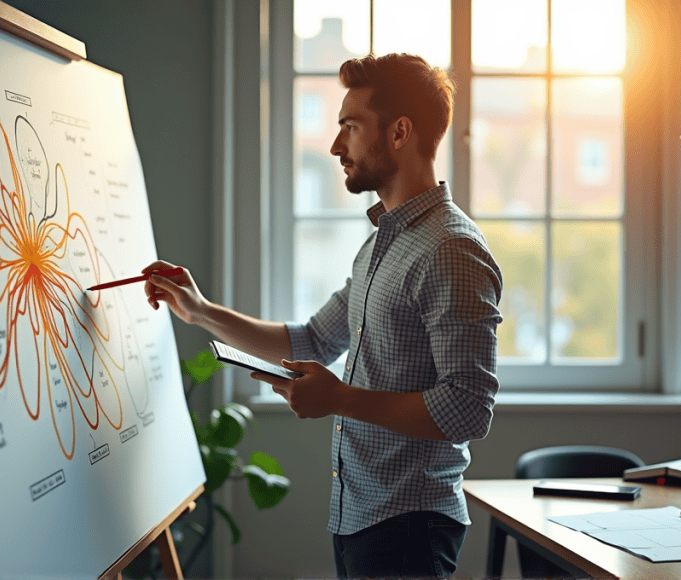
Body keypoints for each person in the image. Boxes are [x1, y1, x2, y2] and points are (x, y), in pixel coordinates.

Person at [141, 53, 502, 579]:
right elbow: (311, 339)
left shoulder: (451, 250)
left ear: (400, 132)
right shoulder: (384, 243)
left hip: (409, 525)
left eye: (350, 127)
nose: (336, 146)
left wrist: (338, 399)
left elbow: (468, 409)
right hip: (363, 516)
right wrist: (200, 312)